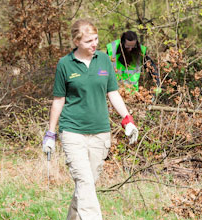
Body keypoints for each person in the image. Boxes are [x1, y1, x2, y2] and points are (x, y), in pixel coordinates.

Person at [42, 19, 138, 220]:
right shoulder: (65, 64)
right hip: (72, 132)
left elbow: (113, 93)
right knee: (84, 182)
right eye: (88, 41)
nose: (94, 44)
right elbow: (59, 100)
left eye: (96, 39)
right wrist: (50, 133)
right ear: (77, 41)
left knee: (87, 187)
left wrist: (127, 119)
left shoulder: (104, 60)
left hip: (100, 133)